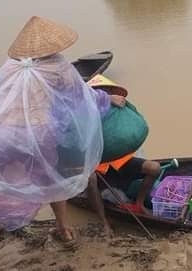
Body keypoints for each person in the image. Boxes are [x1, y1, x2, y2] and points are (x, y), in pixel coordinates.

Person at [0, 16, 123, 243]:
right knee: (52, 181)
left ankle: (6, 221)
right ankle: (63, 229)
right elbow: (81, 98)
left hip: (4, 134)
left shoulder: (10, 66)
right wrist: (108, 99)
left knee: (9, 179)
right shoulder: (58, 66)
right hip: (38, 134)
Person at [85, 74, 160, 235]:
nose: (102, 94)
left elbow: (132, 129)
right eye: (98, 91)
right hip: (98, 166)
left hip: (120, 161)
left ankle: (138, 204)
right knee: (90, 179)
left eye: (105, 90)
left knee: (154, 168)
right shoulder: (83, 112)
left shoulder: (118, 109)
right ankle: (103, 221)